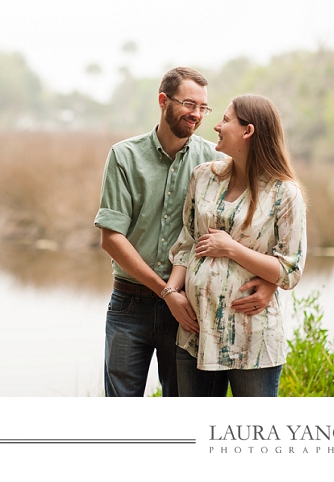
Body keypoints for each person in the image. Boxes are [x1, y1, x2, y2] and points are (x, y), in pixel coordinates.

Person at [94, 68, 279, 397]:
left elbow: (263, 218)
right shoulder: (124, 156)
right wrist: (166, 292)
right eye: (188, 104)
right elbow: (111, 238)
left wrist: (270, 281)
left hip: (191, 310)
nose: (197, 115)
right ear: (163, 101)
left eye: (203, 108)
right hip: (130, 304)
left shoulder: (215, 159)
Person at [166, 94, 307, 397]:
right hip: (196, 334)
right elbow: (186, 244)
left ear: (248, 131)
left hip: (252, 339)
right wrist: (171, 293)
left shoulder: (284, 193)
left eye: (226, 120)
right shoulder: (204, 176)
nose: (216, 125)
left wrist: (232, 248)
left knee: (252, 435)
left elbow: (289, 270)